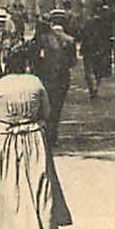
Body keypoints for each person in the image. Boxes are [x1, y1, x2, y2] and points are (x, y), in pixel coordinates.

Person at [0, 49, 73, 229]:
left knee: (6, 184)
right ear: (26, 64)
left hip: (2, 137)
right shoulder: (35, 83)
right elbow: (46, 111)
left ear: (5, 64)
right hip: (33, 136)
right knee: (39, 183)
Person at [33, 11, 77, 146]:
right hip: (62, 79)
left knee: (43, 107)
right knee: (56, 108)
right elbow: (72, 62)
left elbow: (34, 58)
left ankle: (43, 134)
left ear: (51, 23)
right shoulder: (70, 40)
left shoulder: (42, 38)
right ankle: (53, 135)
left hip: (43, 78)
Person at [79, 0, 115, 100]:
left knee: (89, 70)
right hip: (100, 49)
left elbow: (82, 35)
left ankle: (93, 88)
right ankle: (95, 86)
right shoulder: (105, 23)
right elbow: (109, 37)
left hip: (88, 49)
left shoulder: (88, 22)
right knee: (98, 70)